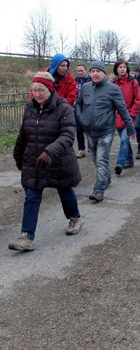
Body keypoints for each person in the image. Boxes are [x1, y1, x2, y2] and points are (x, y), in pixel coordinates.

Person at [9, 72, 82, 252]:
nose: (37, 94)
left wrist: (50, 151)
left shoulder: (64, 108)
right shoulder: (30, 107)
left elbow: (67, 135)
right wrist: (18, 155)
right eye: (34, 90)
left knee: (64, 190)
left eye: (40, 90)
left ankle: (75, 217)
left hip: (58, 159)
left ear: (50, 89)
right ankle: (26, 236)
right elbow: (23, 133)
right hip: (35, 160)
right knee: (32, 196)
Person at [76, 60, 135, 203]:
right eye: (93, 71)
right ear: (90, 73)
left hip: (106, 132)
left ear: (104, 73)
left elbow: (122, 110)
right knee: (96, 159)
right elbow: (78, 104)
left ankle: (99, 190)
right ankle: (106, 178)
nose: (95, 74)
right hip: (89, 131)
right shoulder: (85, 87)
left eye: (98, 71)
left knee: (102, 160)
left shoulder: (113, 89)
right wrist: (81, 118)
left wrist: (130, 128)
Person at [113, 59, 140, 175]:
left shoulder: (133, 82)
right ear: (116, 69)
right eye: (120, 67)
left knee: (125, 139)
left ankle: (120, 163)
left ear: (127, 69)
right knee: (125, 141)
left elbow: (138, 100)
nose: (122, 69)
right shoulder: (113, 83)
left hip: (130, 117)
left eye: (124, 67)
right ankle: (130, 160)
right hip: (117, 118)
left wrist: (131, 114)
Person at [75, 64, 91, 158]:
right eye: (78, 71)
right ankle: (81, 149)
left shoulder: (90, 80)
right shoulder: (75, 81)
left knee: (88, 128)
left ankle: (91, 146)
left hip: (88, 107)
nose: (80, 72)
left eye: (82, 70)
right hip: (77, 107)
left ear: (86, 70)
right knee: (78, 129)